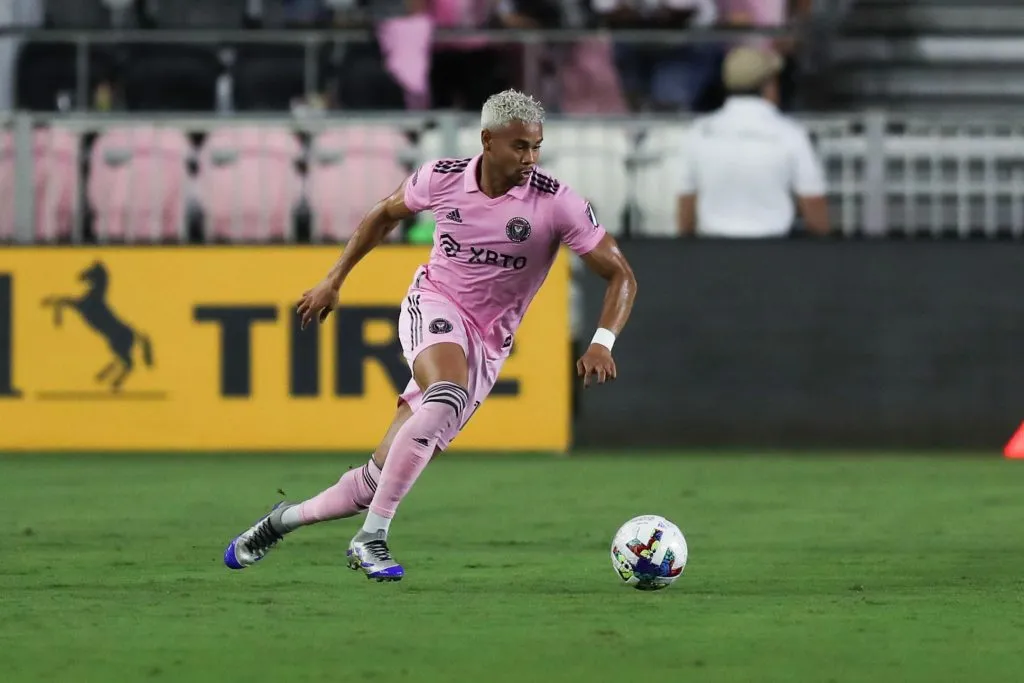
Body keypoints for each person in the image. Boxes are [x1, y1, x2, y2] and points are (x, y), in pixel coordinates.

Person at [223, 89, 638, 581]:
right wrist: (334, 278)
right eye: (519, 146)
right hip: (434, 304)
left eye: (536, 147)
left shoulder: (556, 202)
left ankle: (277, 523)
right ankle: (371, 539)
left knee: (371, 482)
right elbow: (383, 214)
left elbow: (621, 275)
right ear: (487, 140)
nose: (530, 158)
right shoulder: (441, 178)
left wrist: (601, 341)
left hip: (488, 343)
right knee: (446, 394)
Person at [676, 45, 830, 238]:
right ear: (768, 86)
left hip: (712, 254)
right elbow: (815, 212)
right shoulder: (790, 134)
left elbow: (686, 210)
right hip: (774, 254)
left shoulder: (698, 132)